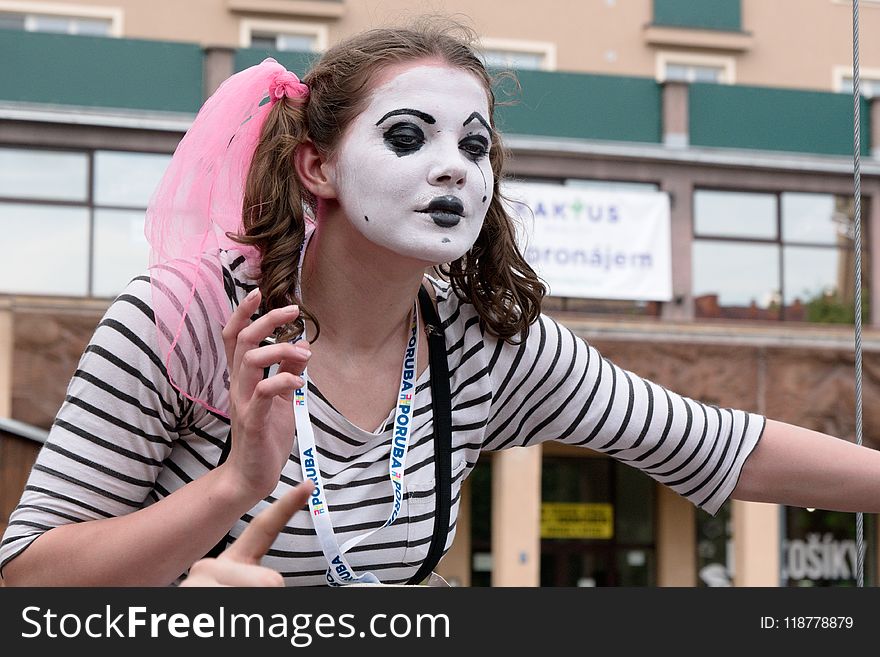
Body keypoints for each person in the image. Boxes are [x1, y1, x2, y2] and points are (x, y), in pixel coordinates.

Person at [3, 18, 880, 588]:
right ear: (318, 166)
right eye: (408, 136)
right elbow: (25, 582)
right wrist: (225, 500)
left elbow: (721, 446)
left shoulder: (487, 343)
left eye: (475, 143)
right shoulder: (186, 320)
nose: (454, 165)